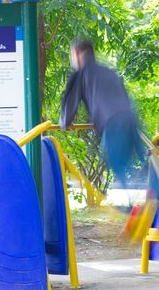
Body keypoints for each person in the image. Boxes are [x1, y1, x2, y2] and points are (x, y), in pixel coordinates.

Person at [59, 39, 145, 187]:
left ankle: (131, 205)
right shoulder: (108, 71)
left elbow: (70, 103)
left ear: (78, 54)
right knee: (144, 160)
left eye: (72, 55)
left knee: (118, 164)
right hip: (130, 118)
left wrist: (65, 123)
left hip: (112, 122)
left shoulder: (81, 74)